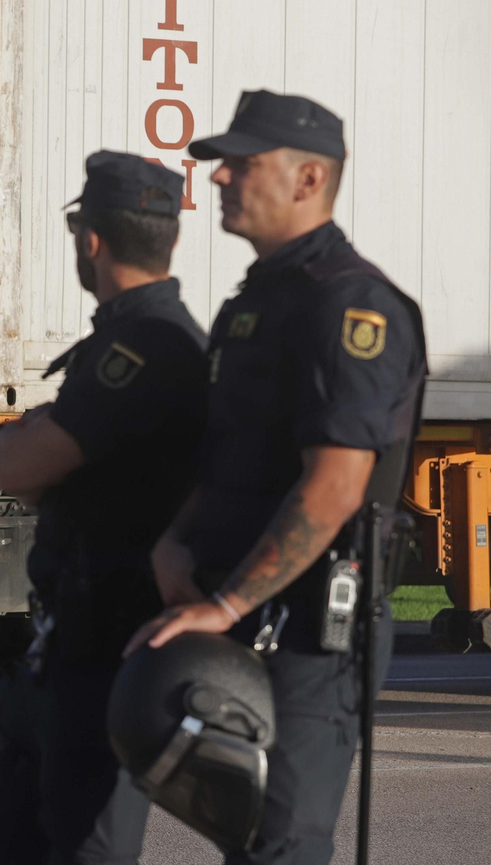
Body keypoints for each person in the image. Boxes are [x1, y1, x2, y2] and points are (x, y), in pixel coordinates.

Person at [124, 90, 426, 864]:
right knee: (247, 837)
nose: (219, 180)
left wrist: (226, 604)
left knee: (281, 843)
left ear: (308, 179)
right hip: (247, 605)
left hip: (310, 625)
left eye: (241, 165)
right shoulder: (256, 301)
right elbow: (231, 453)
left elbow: (333, 488)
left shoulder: (351, 306)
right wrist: (176, 538)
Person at [0, 152, 209, 864]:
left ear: (89, 239)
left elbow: (17, 465)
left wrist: (26, 435)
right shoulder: (144, 337)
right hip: (65, 653)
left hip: (106, 662)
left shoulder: (142, 344)